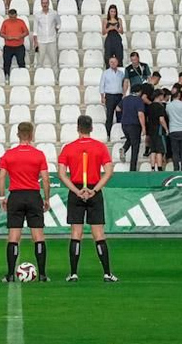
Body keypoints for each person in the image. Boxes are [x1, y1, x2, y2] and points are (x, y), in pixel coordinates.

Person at [56, 115, 118, 282]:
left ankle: (73, 273)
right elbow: (109, 172)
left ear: (78, 128)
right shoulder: (100, 147)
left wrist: (76, 191)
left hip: (76, 191)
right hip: (93, 191)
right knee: (98, 233)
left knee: (76, 233)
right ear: (91, 128)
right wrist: (94, 190)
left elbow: (61, 174)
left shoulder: (68, 148)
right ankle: (107, 273)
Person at [0, 121, 51, 282]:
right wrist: (46, 198)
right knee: (38, 235)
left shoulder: (9, 154)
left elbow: (1, 177)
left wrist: (2, 197)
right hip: (33, 195)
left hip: (16, 195)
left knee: (13, 236)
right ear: (32, 135)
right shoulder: (39, 154)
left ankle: (10, 274)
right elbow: (46, 179)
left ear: (18, 135)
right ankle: (42, 274)